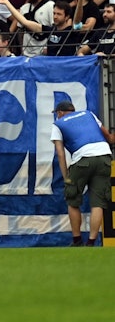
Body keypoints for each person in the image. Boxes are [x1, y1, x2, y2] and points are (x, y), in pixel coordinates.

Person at [51, 99, 115, 246]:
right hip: (104, 157)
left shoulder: (58, 124)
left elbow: (60, 153)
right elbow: (109, 138)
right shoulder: (89, 114)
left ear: (60, 113)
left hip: (82, 159)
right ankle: (91, 242)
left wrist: (66, 176)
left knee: (73, 201)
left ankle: (77, 240)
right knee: (97, 203)